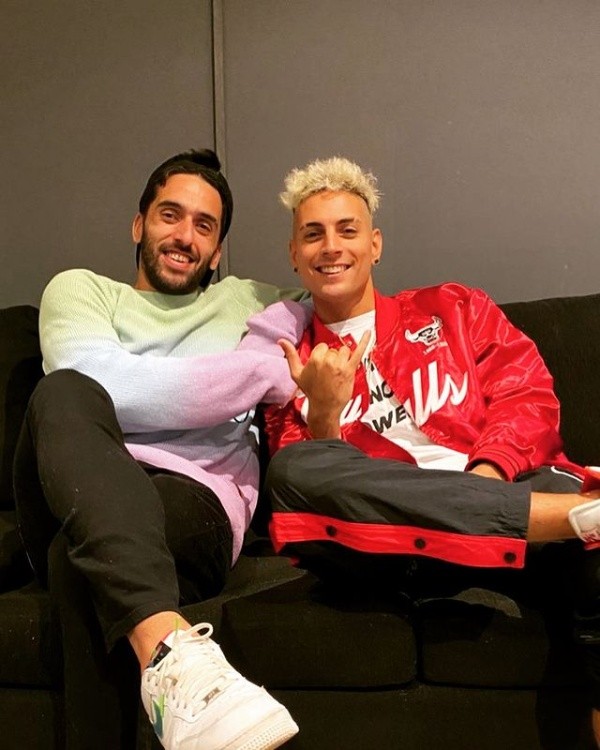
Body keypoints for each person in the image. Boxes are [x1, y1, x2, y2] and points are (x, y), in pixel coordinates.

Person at [251, 156, 600, 744]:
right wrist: (325, 413)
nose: (331, 246)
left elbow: (527, 395)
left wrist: (485, 480)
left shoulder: (454, 308)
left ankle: (565, 518)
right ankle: (579, 515)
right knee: (292, 469)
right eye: (313, 234)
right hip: (385, 548)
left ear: (375, 244)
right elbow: (312, 494)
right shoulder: (288, 361)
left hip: (508, 503)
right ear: (293, 254)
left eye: (347, 230)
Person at [13, 148, 307, 750]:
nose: (184, 237)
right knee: (64, 390)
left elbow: (333, 309)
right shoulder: (81, 291)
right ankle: (175, 654)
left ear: (217, 250)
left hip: (196, 498)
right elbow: (102, 384)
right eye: (170, 215)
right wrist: (256, 373)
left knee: (80, 561)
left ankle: (164, 655)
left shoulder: (257, 301)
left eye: (204, 226)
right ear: (138, 224)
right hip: (77, 488)